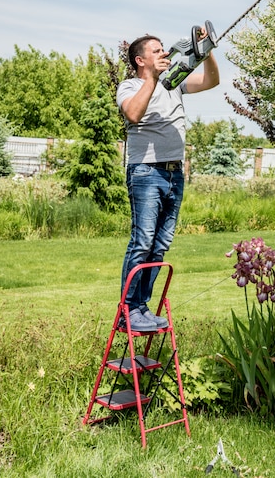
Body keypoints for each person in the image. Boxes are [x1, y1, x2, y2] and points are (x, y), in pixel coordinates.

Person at [116, 29, 220, 331]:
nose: (164, 53)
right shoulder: (131, 85)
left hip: (175, 173)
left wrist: (206, 50)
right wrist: (152, 80)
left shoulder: (173, 84)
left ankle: (141, 307)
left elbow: (211, 81)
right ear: (141, 60)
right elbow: (134, 114)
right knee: (142, 242)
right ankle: (127, 310)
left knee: (160, 246)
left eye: (165, 49)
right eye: (157, 51)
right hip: (146, 172)